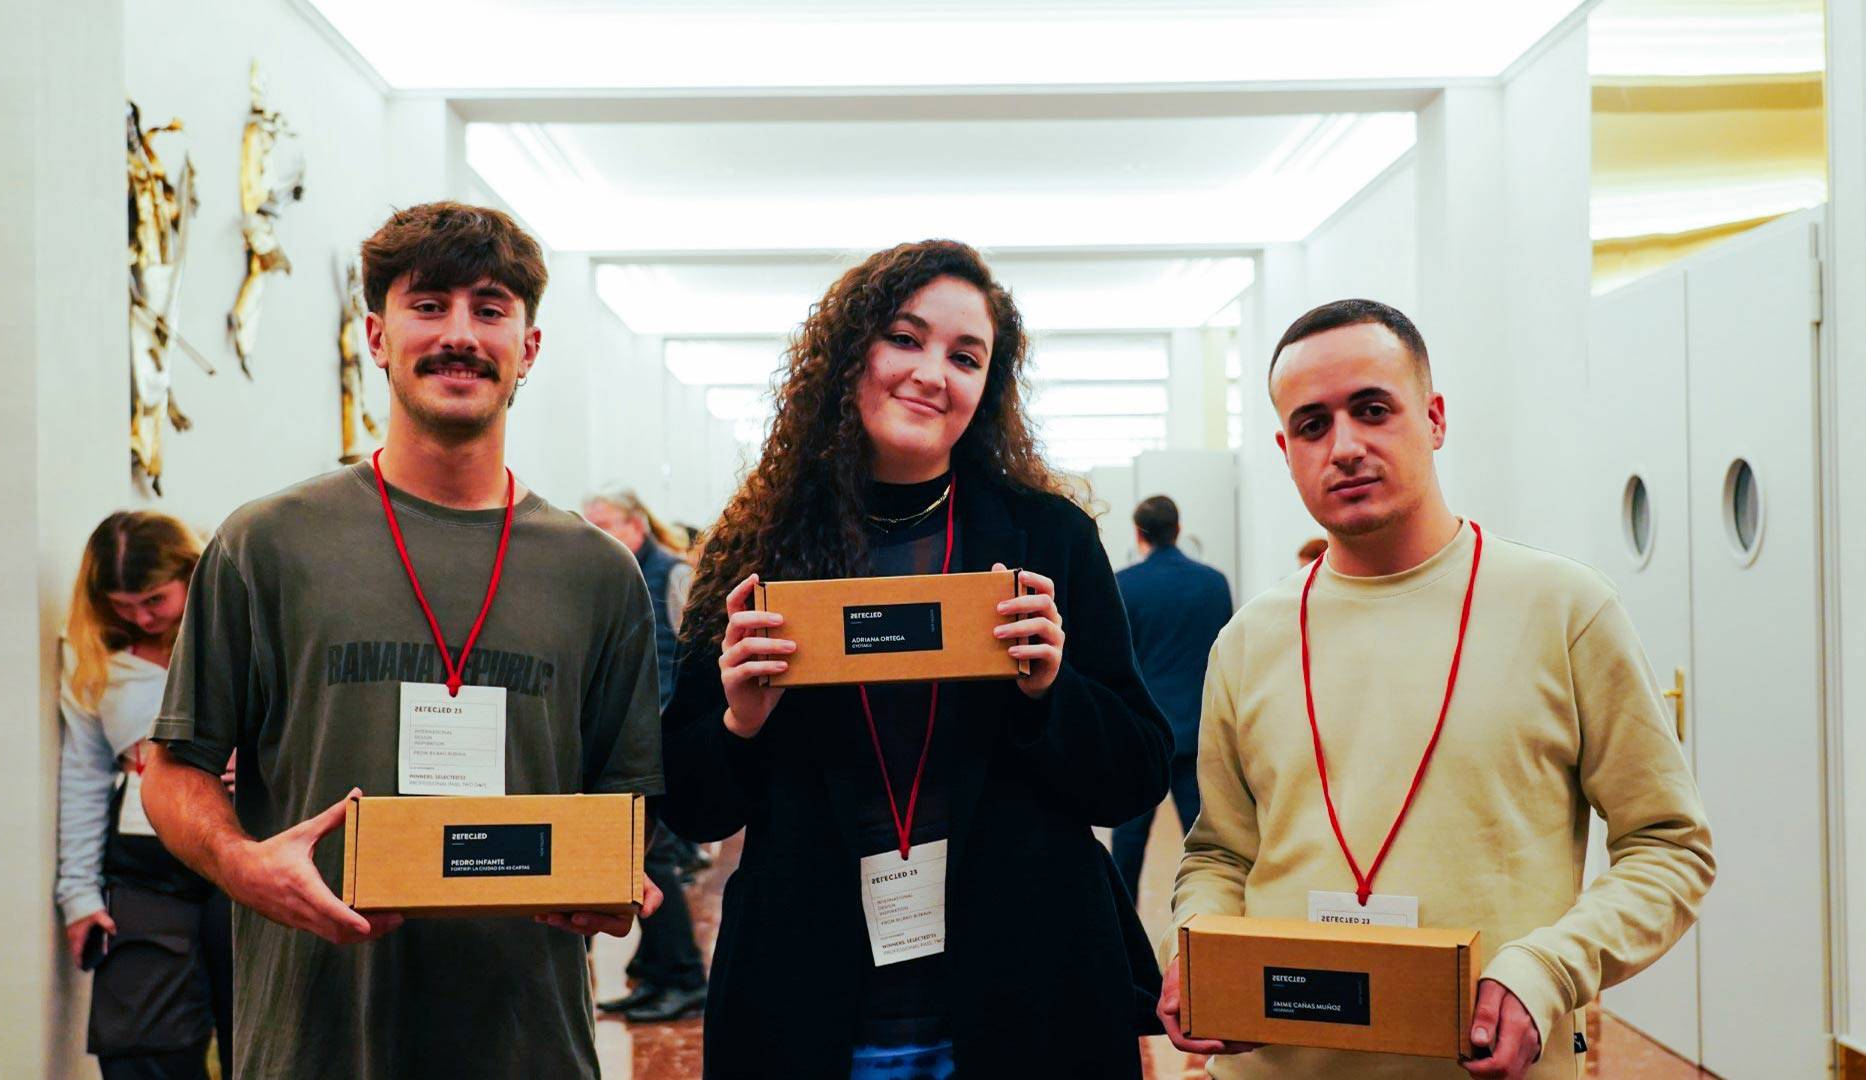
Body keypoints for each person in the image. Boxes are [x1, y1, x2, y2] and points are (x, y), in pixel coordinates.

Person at [141, 201, 664, 1080]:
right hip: (314, 1043)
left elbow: (626, 794)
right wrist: (243, 865)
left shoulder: (598, 573)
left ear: (528, 348)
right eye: (429, 305)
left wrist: (616, 879)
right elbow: (173, 770)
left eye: (490, 309)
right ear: (378, 337)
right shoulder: (266, 544)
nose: (459, 334)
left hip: (526, 1043)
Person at [1159, 299, 1714, 1080]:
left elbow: (1669, 847)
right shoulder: (1248, 640)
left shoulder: (1563, 610)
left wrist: (1549, 969)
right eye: (1313, 426)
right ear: (1286, 450)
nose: (1345, 447)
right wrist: (1197, 945)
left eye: (1373, 410)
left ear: (1435, 418)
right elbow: (1220, 852)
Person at [660, 239, 1172, 1079]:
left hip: (1024, 989)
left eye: (965, 357)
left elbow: (1133, 776)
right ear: (848, 354)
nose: (932, 373)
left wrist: (1052, 692)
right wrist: (738, 723)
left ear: (987, 388)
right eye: (905, 338)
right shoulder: (760, 547)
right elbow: (692, 803)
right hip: (812, 995)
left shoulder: (1047, 538)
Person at [56, 512, 233, 1080]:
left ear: (190, 573)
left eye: (155, 600)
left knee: (257, 1035)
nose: (141, 618)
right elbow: (83, 778)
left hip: (241, 852)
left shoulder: (228, 637)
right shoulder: (95, 663)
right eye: (123, 605)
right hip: (144, 866)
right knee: (140, 1043)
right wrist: (78, 894)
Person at [583, 489, 708, 1022]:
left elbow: (694, 656)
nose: (595, 533)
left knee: (652, 856)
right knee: (638, 856)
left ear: (636, 525)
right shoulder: (614, 574)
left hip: (660, 735)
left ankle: (683, 977)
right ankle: (656, 973)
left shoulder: (673, 574)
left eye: (605, 523)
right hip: (631, 733)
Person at [1108, 495, 1233, 900]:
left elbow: (1115, 663)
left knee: (1128, 844)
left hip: (1142, 737)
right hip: (1197, 734)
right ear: (1178, 530)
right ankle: (1208, 922)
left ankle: (1124, 922)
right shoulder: (1213, 583)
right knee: (1209, 848)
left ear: (1138, 534)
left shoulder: (1123, 585)